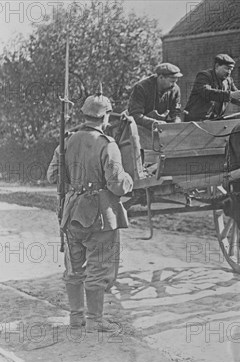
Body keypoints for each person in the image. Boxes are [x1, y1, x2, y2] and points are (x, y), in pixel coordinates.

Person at [47, 93, 133, 332]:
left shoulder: (66, 141)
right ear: (105, 117)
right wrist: (129, 181)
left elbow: (52, 176)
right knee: (98, 267)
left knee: (74, 268)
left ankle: (76, 317)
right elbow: (116, 183)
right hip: (99, 216)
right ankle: (94, 321)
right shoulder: (107, 144)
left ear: (84, 115)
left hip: (71, 212)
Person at [128, 63, 183, 148]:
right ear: (161, 77)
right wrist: (155, 123)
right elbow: (135, 115)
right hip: (142, 130)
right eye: (172, 81)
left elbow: (176, 114)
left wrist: (175, 127)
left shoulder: (175, 90)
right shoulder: (141, 88)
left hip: (163, 133)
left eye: (175, 82)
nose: (174, 85)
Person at [184, 54, 240, 121]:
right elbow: (207, 92)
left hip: (215, 120)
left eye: (231, 69)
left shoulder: (228, 80)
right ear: (217, 66)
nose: (229, 72)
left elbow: (236, 97)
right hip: (197, 120)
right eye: (226, 68)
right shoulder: (204, 76)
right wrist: (230, 94)